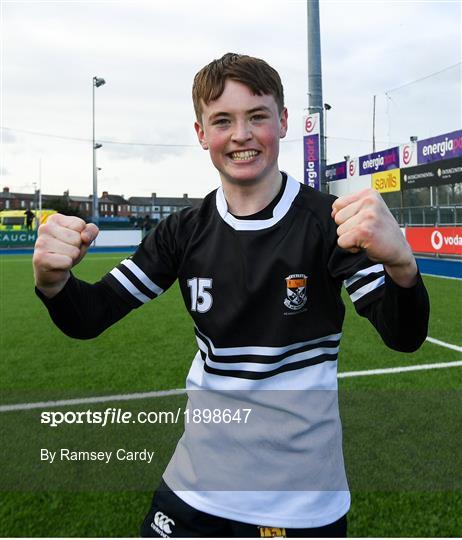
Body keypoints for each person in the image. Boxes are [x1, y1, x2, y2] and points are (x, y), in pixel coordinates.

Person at [33, 53, 429, 538]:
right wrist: (54, 284)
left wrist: (402, 267)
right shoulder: (182, 230)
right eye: (222, 121)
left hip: (299, 504)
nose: (241, 134)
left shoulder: (329, 223)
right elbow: (90, 315)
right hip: (193, 486)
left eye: (257, 116)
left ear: (282, 122)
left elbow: (402, 336)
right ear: (201, 134)